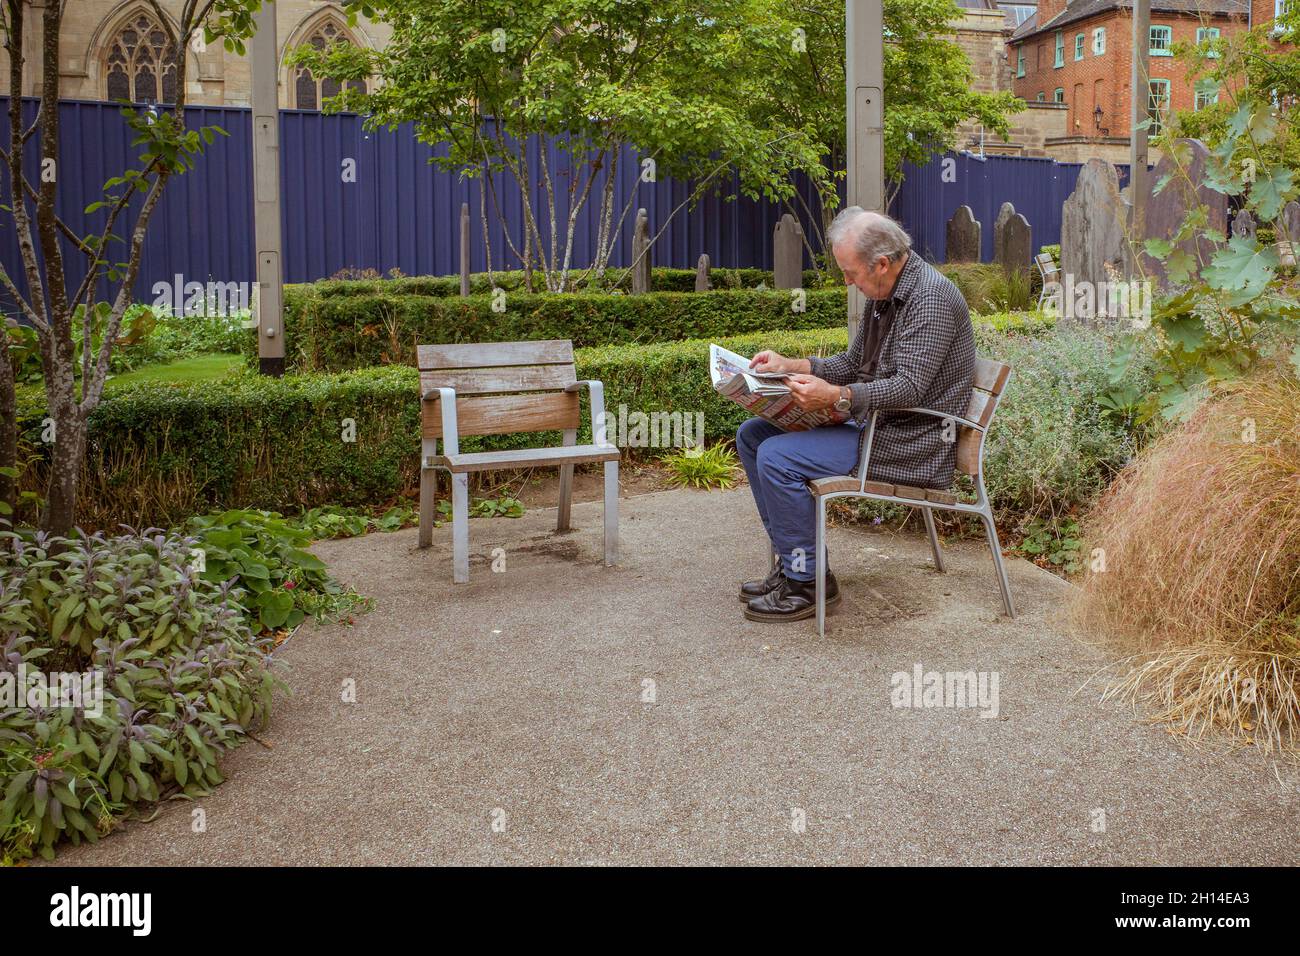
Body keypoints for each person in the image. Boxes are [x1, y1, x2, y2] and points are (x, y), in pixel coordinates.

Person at [736, 208, 975, 622]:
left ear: (881, 263)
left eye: (851, 273)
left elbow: (909, 388)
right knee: (753, 435)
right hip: (879, 426)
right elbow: (851, 363)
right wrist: (789, 365)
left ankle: (807, 584)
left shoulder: (930, 298)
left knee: (777, 457)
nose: (848, 281)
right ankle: (795, 565)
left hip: (909, 442)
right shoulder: (886, 294)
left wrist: (836, 397)